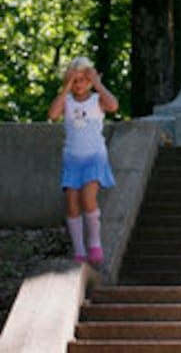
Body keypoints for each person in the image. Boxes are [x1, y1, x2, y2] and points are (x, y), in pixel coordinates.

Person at [48, 56, 119, 266]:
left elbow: (113, 106)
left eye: (82, 80)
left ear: (90, 80)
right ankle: (79, 250)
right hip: (72, 158)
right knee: (72, 203)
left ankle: (94, 243)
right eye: (74, 80)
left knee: (88, 198)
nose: (78, 85)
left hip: (94, 156)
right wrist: (65, 87)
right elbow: (52, 114)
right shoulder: (67, 101)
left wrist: (97, 83)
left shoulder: (97, 99)